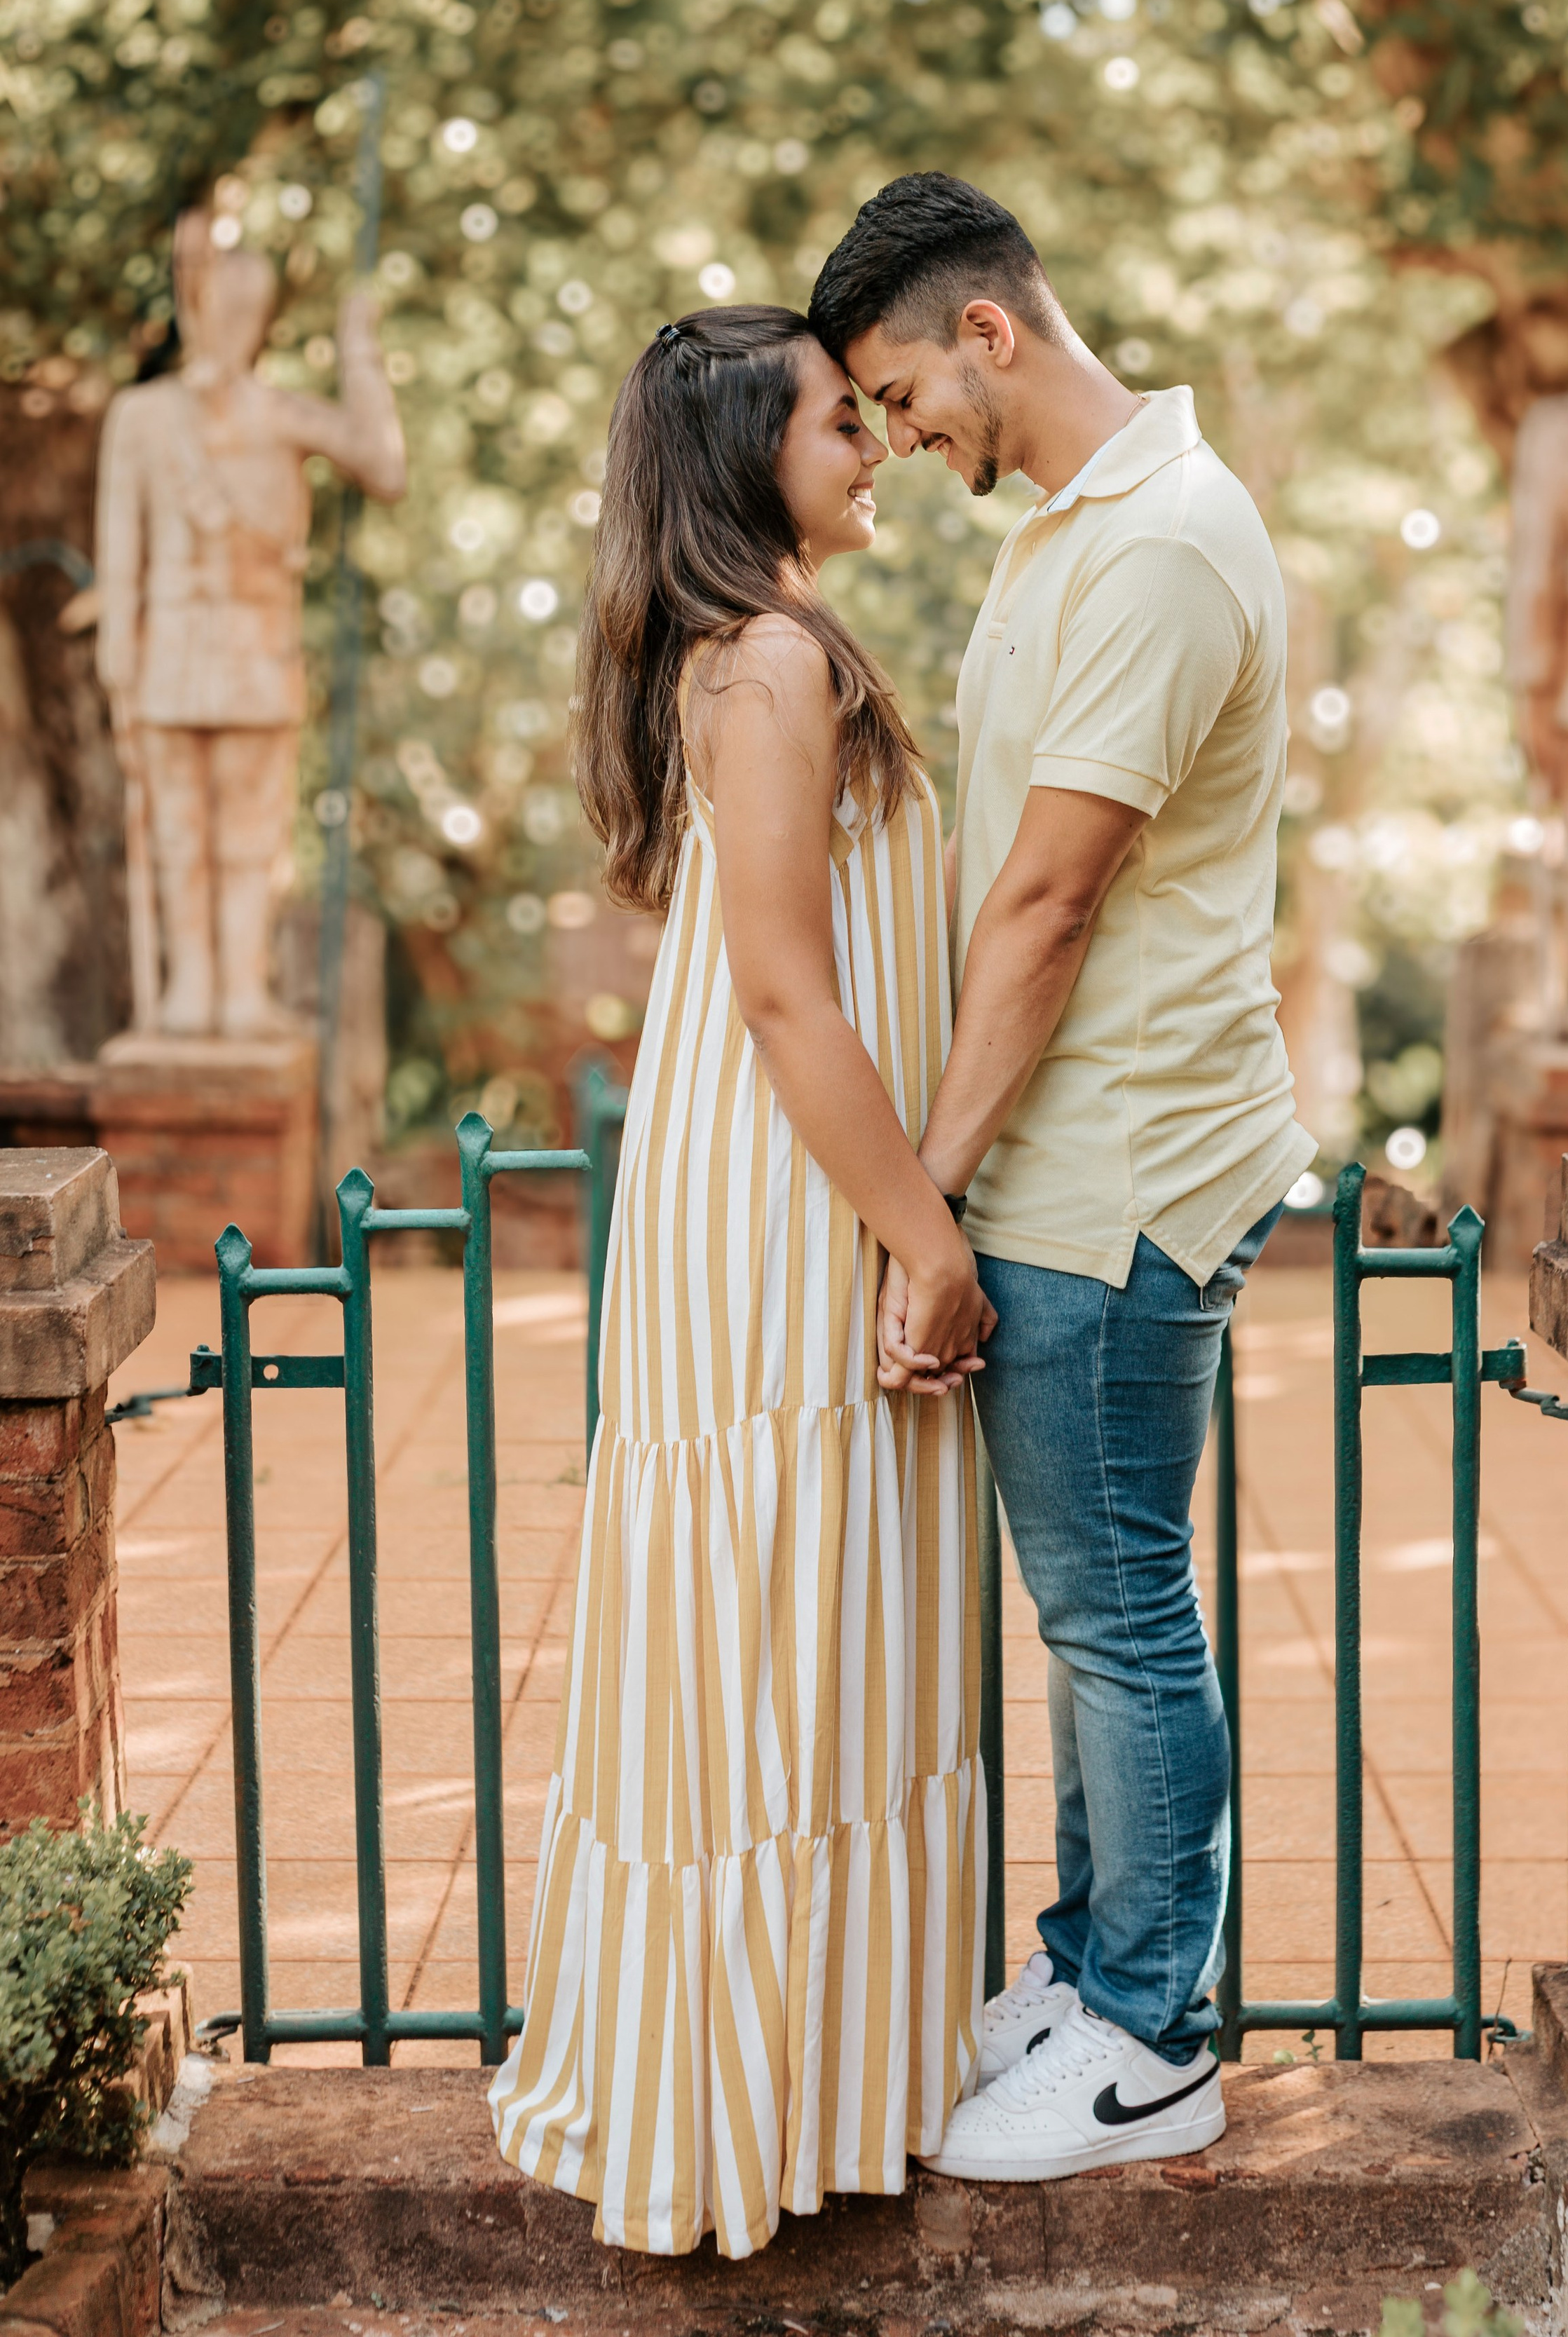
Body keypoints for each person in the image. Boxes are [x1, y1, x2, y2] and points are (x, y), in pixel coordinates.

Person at [810, 175, 1315, 2183]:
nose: (897, 436)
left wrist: (920, 1204)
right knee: (1098, 1598)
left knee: (1117, 1615)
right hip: (1071, 1153)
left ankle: (1150, 2034)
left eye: (900, 388)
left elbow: (1045, 903)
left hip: (1117, 1168)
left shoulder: (1170, 547)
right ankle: (1095, 1959)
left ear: (989, 333)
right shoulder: (1070, 532)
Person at [489, 307, 990, 2256]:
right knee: (788, 1615)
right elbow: (790, 991)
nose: (871, 445)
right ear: (742, 460)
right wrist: (925, 1238)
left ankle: (804, 2081)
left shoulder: (771, 651)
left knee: (807, 1617)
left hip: (785, 1174)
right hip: (790, 1196)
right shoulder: (769, 659)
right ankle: (752, 2106)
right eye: (833, 421)